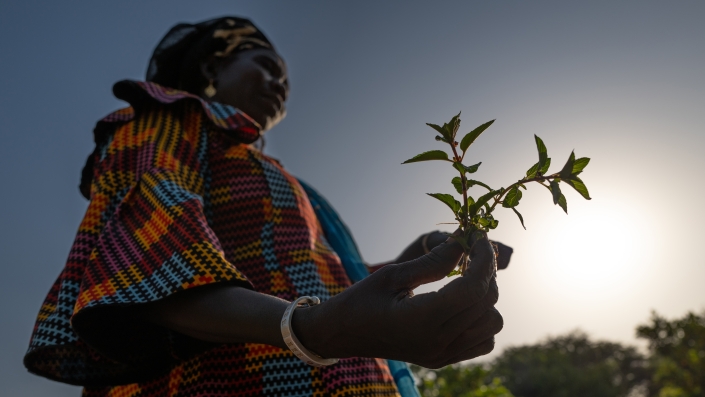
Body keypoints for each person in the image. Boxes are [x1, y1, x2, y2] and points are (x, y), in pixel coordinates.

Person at [24, 17, 508, 397]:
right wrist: (312, 328)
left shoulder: (280, 179)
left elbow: (330, 282)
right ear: (213, 68)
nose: (280, 84)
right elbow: (148, 257)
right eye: (266, 66)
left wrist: (422, 251)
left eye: (286, 81)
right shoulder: (171, 118)